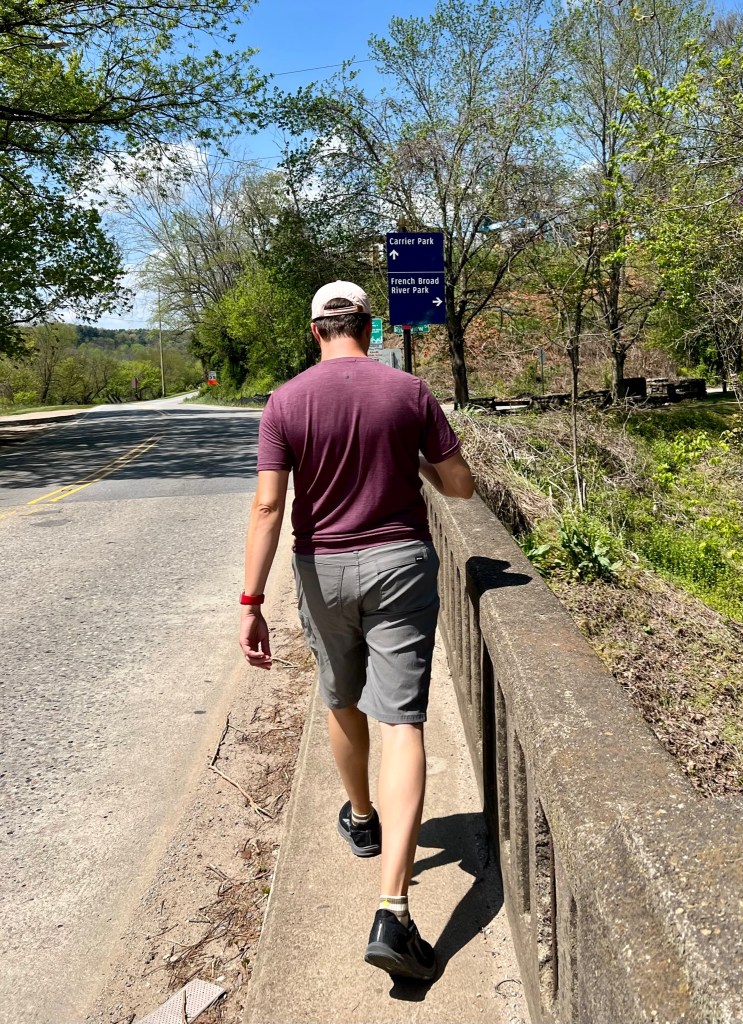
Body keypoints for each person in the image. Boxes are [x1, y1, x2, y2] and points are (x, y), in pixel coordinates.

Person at [238, 280, 475, 982]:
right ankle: (392, 910)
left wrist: (251, 600)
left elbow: (268, 506)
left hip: (321, 569)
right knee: (402, 721)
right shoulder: (408, 392)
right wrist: (412, 460)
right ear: (368, 328)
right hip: (399, 563)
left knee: (342, 698)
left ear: (315, 331)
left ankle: (363, 818)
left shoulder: (284, 402)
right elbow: (460, 485)